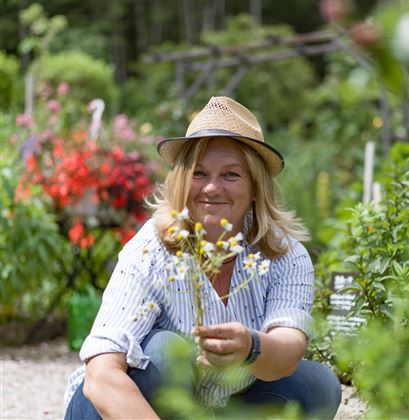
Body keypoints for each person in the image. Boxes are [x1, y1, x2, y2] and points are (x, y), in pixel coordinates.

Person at [63, 96, 342, 419]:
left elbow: (288, 350)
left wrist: (252, 347)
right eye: (199, 173)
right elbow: (101, 376)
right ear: (182, 180)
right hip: (114, 409)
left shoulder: (284, 254)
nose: (211, 188)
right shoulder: (152, 249)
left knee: (317, 385)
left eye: (230, 175)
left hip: (214, 407)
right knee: (164, 353)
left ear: (255, 187)